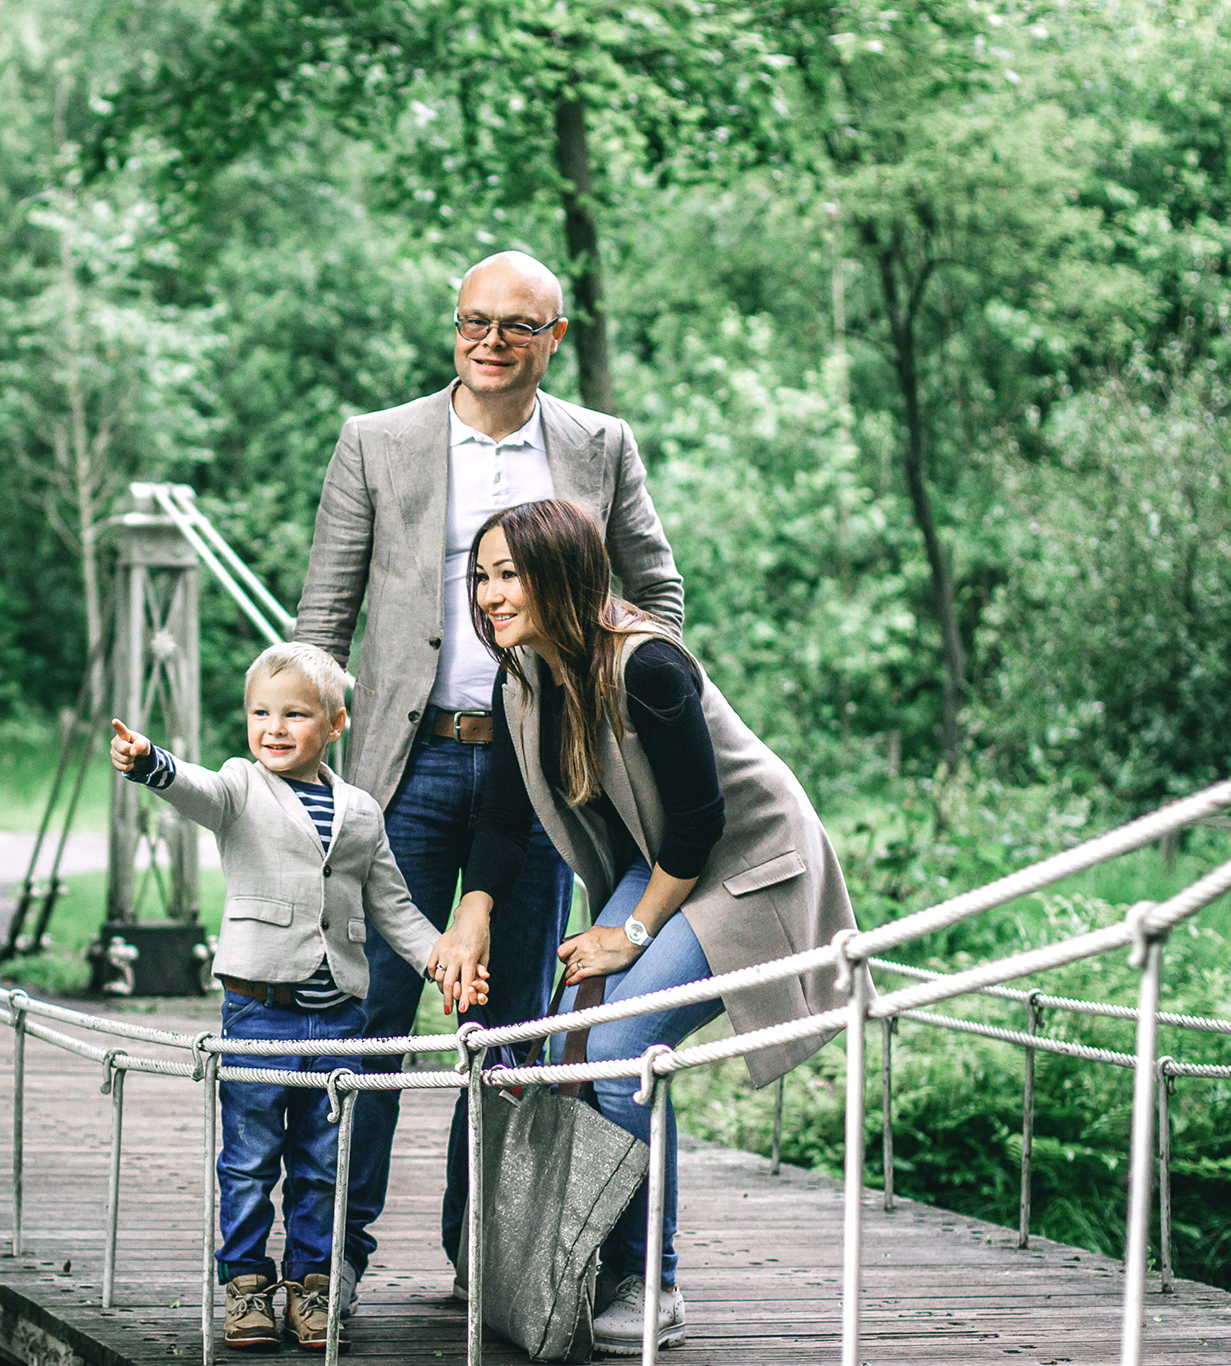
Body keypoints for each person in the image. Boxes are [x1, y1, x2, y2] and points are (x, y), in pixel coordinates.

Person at [293, 250, 685, 1284]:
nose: (490, 341)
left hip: (545, 779)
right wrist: (300, 781)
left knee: (507, 1024)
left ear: (553, 338)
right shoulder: (375, 442)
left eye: (517, 324)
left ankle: (487, 1264)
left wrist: (607, 715)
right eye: (473, 319)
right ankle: (328, 1258)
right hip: (400, 769)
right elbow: (320, 624)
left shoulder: (600, 447)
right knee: (368, 1007)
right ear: (452, 325)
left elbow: (657, 596)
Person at [426, 498, 859, 1355]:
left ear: (562, 575)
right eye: (481, 576)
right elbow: (505, 820)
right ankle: (583, 1262)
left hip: (742, 863)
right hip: (661, 862)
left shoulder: (648, 665)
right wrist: (471, 913)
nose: (489, 595)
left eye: (509, 574)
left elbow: (700, 822)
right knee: (570, 1045)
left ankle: (650, 1284)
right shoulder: (524, 675)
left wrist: (625, 937)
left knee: (622, 1044)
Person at [109, 642, 482, 1352]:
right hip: (258, 1007)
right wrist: (152, 763)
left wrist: (442, 957)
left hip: (339, 1013)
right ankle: (247, 1287)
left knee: (321, 1156)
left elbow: (394, 908)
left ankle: (312, 1286)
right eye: (260, 713)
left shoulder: (362, 812)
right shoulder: (239, 787)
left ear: (336, 724)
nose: (273, 728)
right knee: (250, 1156)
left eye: (294, 715)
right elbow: (196, 789)